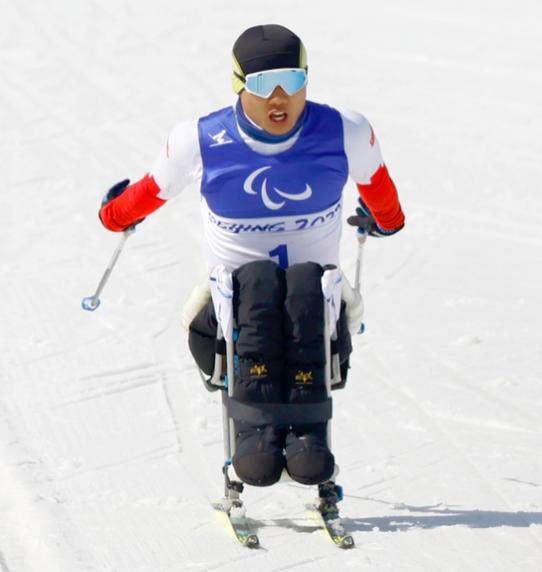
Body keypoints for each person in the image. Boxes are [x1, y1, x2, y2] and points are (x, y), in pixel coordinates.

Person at [97, 24, 404, 518]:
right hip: (233, 306)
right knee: (256, 289)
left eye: (291, 80)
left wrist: (385, 221)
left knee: (306, 286)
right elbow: (152, 189)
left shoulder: (344, 129)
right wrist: (115, 214)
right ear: (239, 84)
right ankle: (256, 433)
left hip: (315, 299)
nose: (279, 98)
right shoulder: (199, 140)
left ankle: (305, 437)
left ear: (307, 78)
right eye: (262, 85)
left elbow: (382, 191)